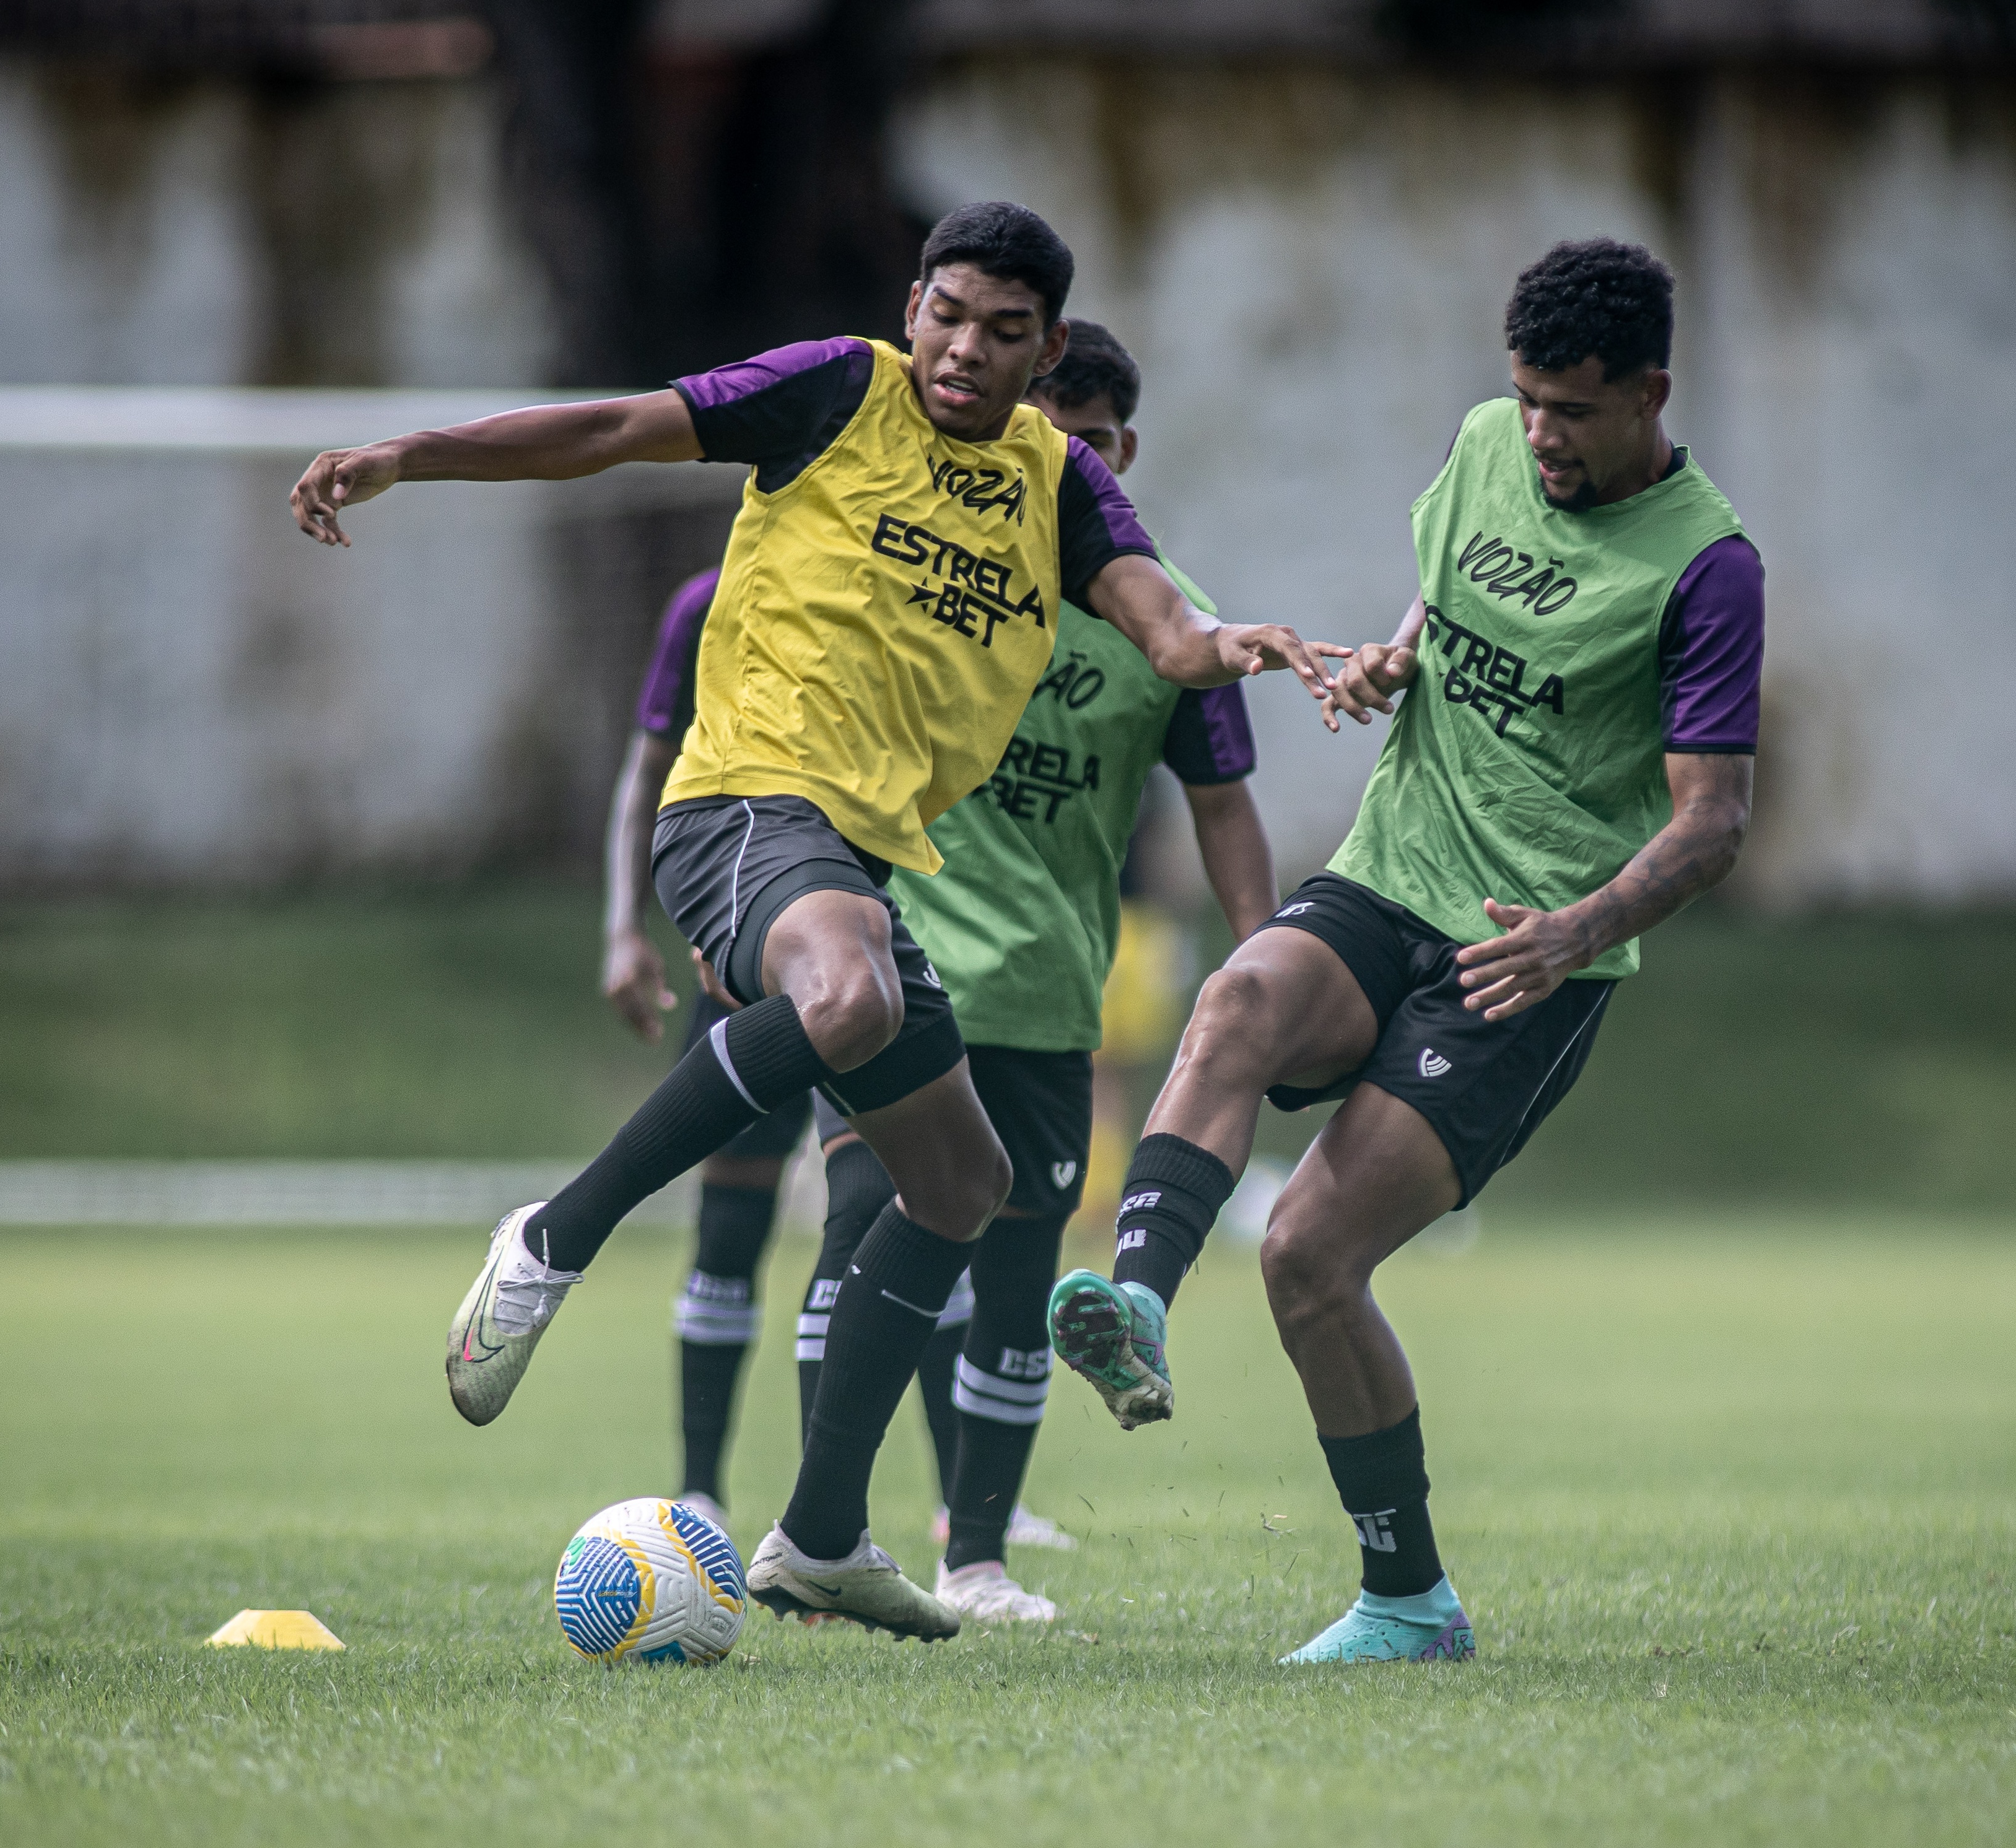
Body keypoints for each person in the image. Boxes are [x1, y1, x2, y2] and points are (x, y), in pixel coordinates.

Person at [288, 201, 1338, 1641]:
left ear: (1045, 355)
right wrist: (415, 453)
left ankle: (824, 1538)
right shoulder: (836, 389)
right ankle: (553, 1239)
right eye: (950, 314)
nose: (968, 350)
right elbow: (610, 430)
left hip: (857, 859)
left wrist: (1245, 642)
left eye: (1006, 332)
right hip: (740, 806)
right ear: (913, 307)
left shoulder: (1061, 484)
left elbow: (1165, 629)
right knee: (850, 1001)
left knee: (963, 1186)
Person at [1044, 238, 1764, 1664]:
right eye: (1527, 401)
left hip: (1521, 955)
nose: (1541, 435)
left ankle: (1407, 1598)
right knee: (1238, 995)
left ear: (1651, 392)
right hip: (1395, 869)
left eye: (1572, 409)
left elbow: (1715, 822)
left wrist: (1581, 931)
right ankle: (1135, 1300)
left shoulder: (1710, 567)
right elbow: (1458, 593)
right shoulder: (1490, 444)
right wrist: (1394, 655)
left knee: (1310, 1255)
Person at [787, 323, 1276, 1624]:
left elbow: (1224, 801)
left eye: (1099, 445)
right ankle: (815, 1531)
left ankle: (978, 1559)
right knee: (856, 1242)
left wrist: (1263, 961)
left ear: (1126, 452)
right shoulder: (934, 571)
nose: (1077, 466)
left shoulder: (1170, 618)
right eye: (1055, 440)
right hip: (899, 974)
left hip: (1054, 996)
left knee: (1015, 1280)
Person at [599, 565, 815, 1534]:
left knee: (884, 1225)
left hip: (878, 945)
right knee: (729, 1232)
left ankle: (847, 1520)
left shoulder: (904, 583)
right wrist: (625, 928)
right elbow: (649, 773)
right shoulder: (706, 604)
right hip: (742, 961)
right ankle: (700, 1493)